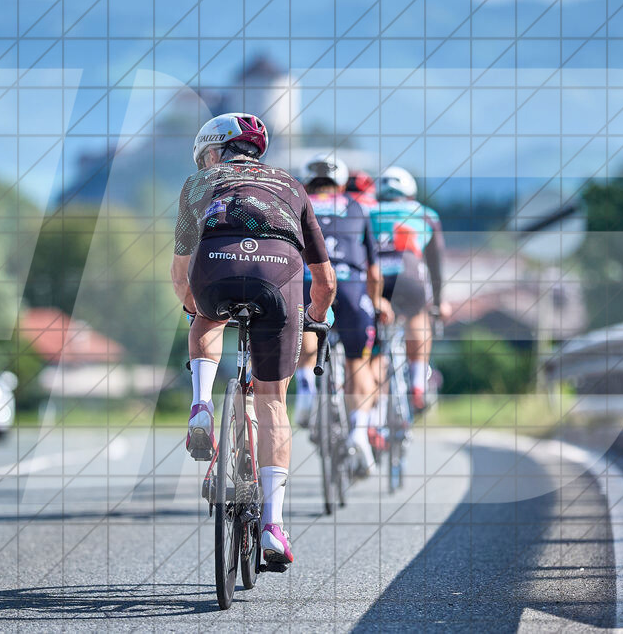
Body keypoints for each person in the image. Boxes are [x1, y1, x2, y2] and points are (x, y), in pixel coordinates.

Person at [171, 113, 336, 568]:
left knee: (204, 315)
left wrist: (195, 309)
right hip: (278, 275)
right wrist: (315, 321)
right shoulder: (291, 186)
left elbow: (180, 274)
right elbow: (324, 282)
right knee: (273, 403)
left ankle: (201, 404)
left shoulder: (196, 185)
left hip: (216, 265)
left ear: (215, 151)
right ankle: (272, 526)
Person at [292, 153, 390, 478]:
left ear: (308, 180)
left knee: (305, 341)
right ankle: (359, 432)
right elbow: (374, 272)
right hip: (351, 287)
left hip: (309, 281)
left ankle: (305, 393)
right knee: (357, 363)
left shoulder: (296, 203)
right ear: (341, 180)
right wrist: (375, 304)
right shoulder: (357, 207)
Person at [369, 166, 448, 414]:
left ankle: (375, 412)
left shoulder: (367, 212)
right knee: (419, 314)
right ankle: (417, 381)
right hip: (411, 278)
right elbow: (436, 265)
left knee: (377, 348)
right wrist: (439, 301)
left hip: (378, 280)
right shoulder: (426, 215)